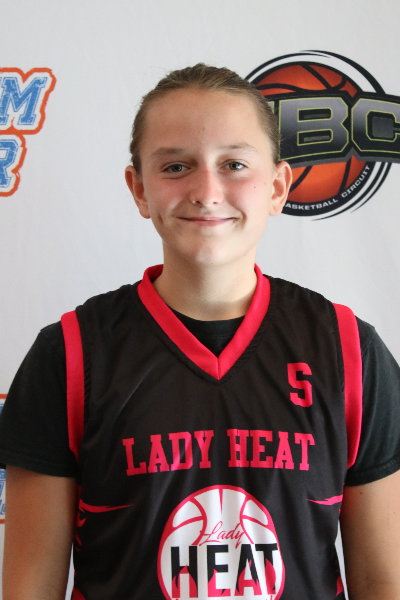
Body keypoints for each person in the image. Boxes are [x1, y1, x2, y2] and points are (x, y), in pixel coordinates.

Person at [0, 63, 399, 600]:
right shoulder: (69, 354)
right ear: (139, 189)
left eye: (234, 164)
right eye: (176, 166)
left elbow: (383, 580)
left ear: (278, 186)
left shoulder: (349, 351)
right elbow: (30, 586)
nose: (207, 191)